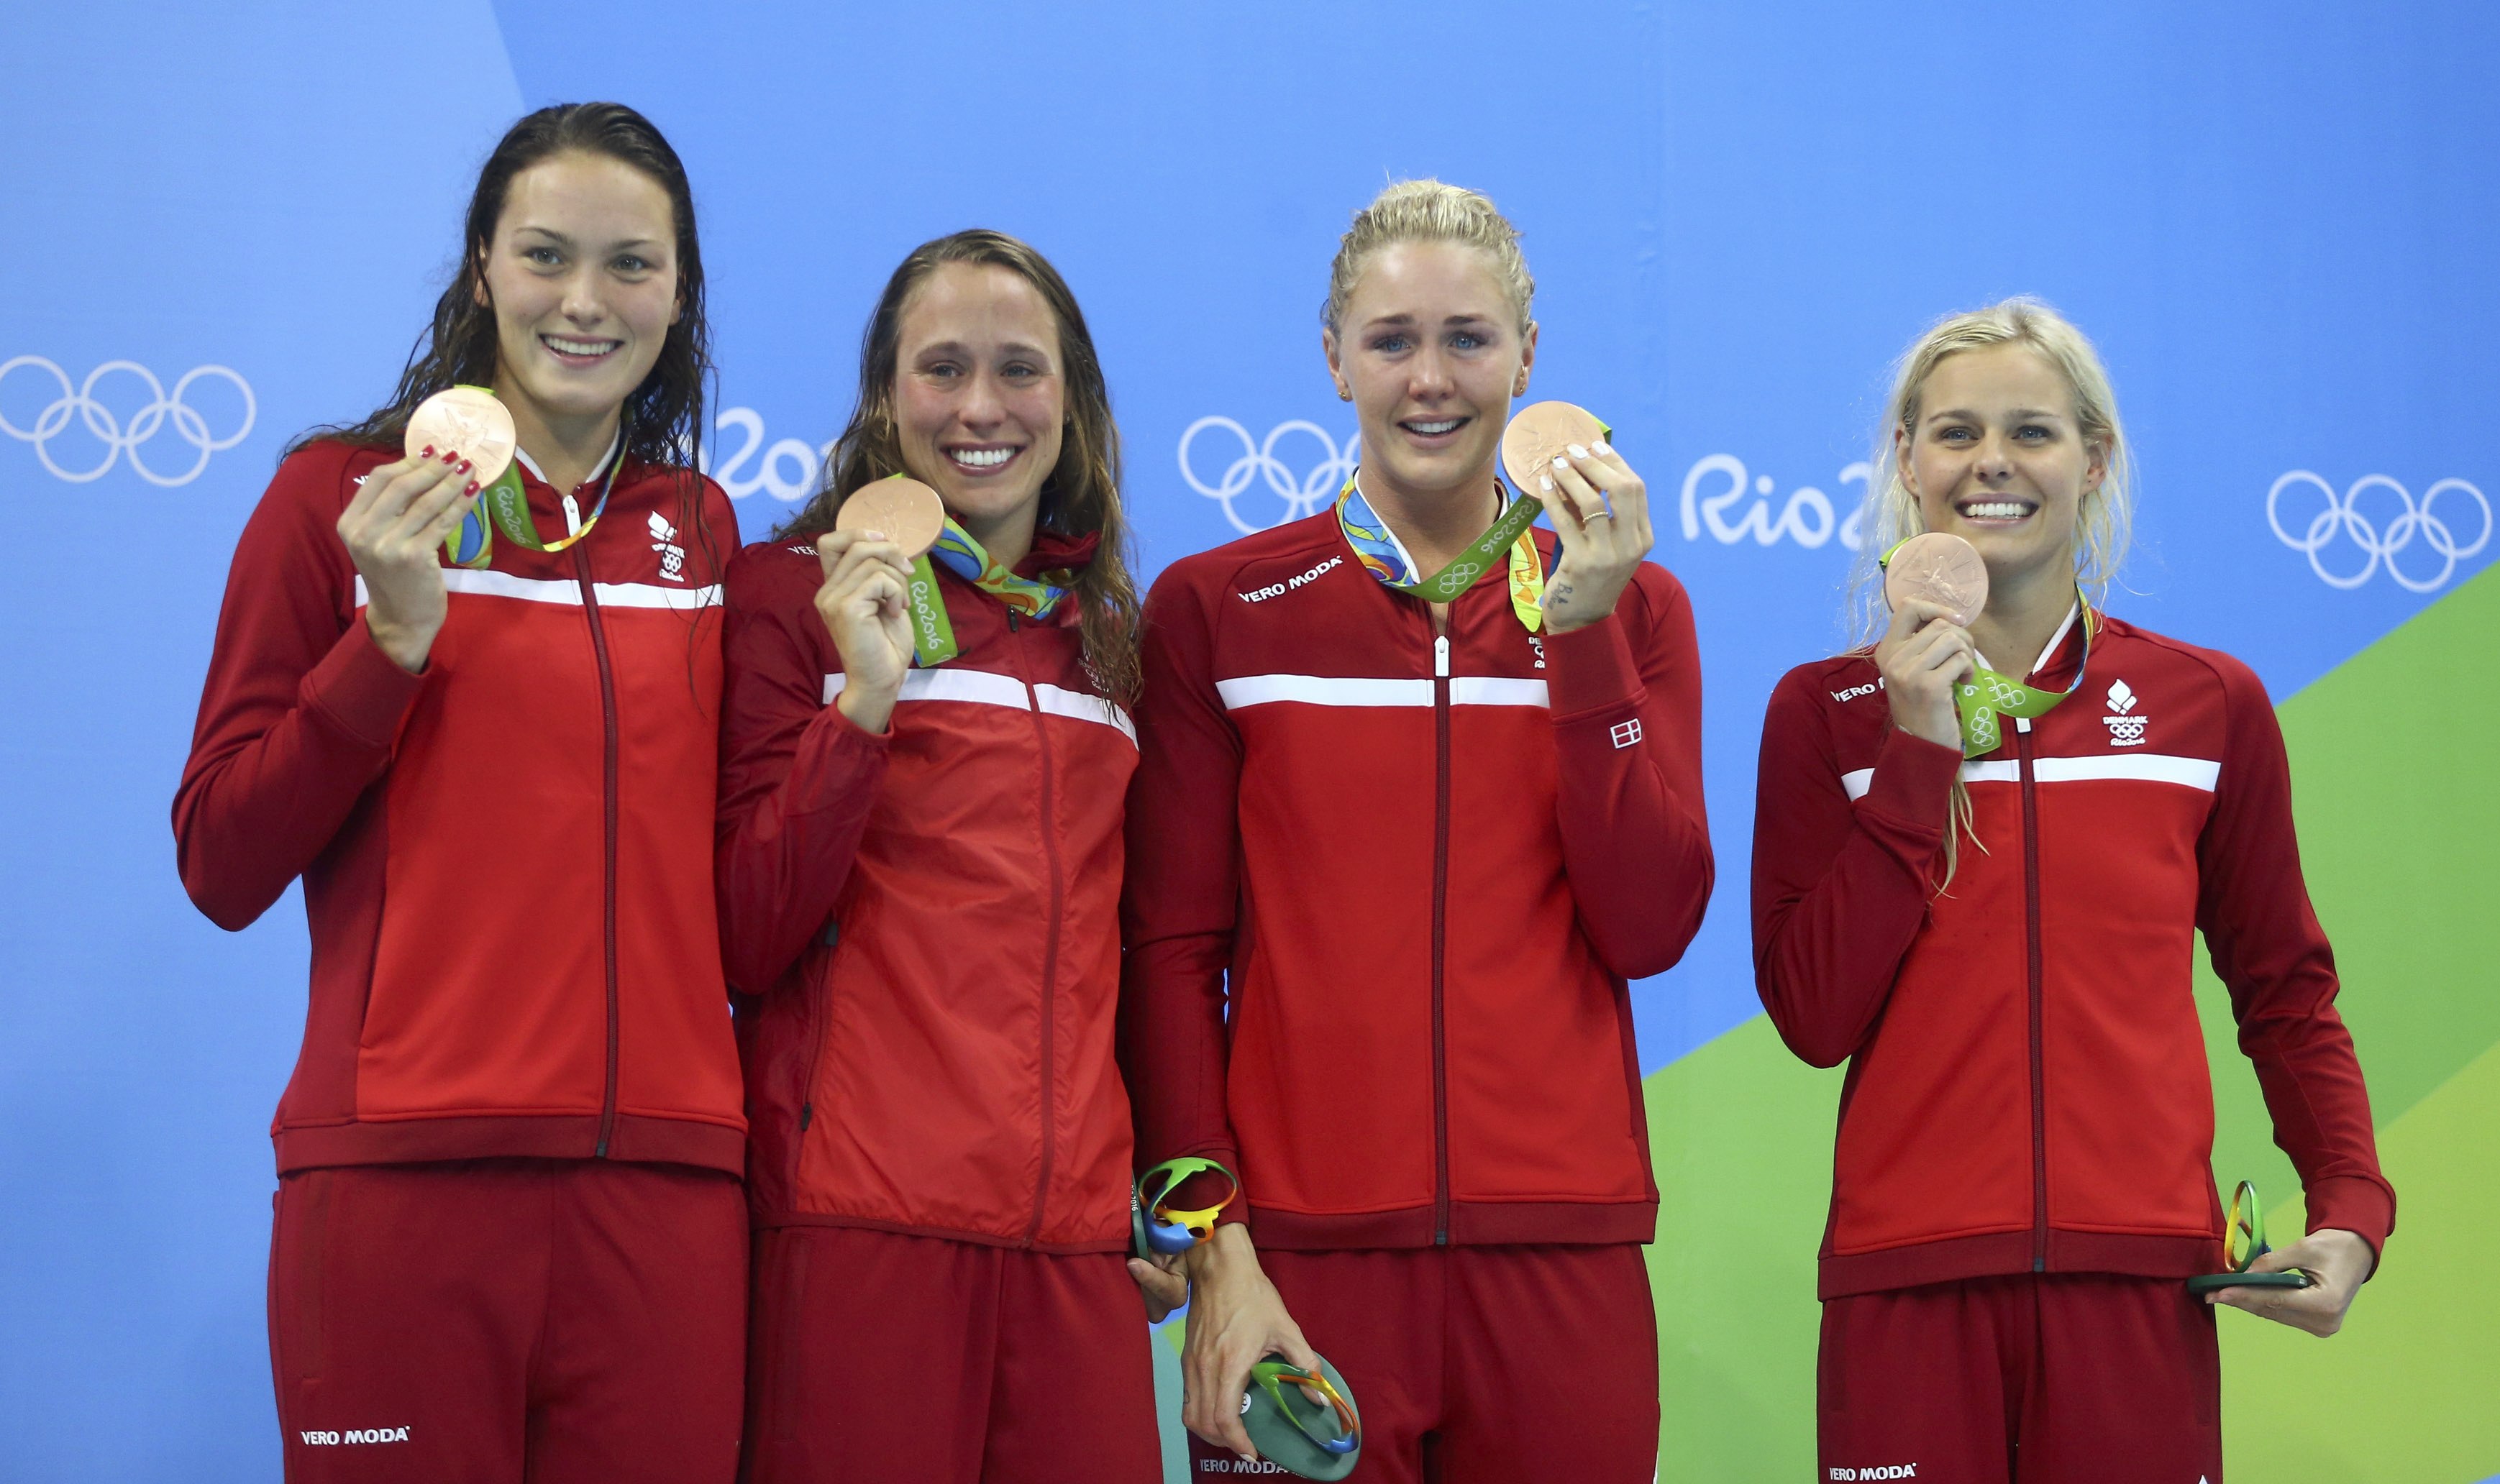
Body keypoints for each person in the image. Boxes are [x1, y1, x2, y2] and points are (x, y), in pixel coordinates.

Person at [173, 104, 747, 1482]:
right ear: (482, 265)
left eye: (632, 265)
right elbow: (221, 860)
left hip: (662, 1204)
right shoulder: (336, 503)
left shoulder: (702, 531)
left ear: (678, 292)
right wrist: (385, 648)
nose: (586, 302)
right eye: (547, 255)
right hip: (401, 1190)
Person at [1121, 180, 1713, 1480]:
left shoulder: (1635, 605)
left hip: (1561, 1254)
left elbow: (1653, 922)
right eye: (1392, 341)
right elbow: (1170, 951)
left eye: (1468, 339)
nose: (1430, 379)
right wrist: (1215, 1250)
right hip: (1299, 1265)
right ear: (1333, 357)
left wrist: (1589, 637)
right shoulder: (1222, 609)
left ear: (1528, 356)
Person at [1751, 298, 2395, 1480]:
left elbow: (2285, 990)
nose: (1992, 461)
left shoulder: (2209, 705)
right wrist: (1918, 749)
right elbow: (1810, 1015)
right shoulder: (1823, 714)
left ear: (2093, 461)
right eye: (1954, 432)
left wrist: (2351, 1203)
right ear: (1906, 460)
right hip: (1908, 1284)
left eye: (2032, 432)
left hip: (2137, 1286)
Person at [716, 229, 1163, 1484]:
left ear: (1071, 406)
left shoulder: (1112, 645)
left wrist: (1146, 1198)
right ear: (881, 398)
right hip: (859, 1228)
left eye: (1020, 370)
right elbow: (748, 931)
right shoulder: (782, 599)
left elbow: (1130, 957)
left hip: (1076, 1255)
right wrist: (861, 704)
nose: (981, 407)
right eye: (942, 368)